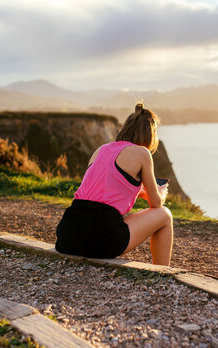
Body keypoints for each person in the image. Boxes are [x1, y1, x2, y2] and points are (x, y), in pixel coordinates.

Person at [55, 103, 173, 266]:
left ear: (125, 129)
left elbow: (99, 191)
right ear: (150, 135)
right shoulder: (142, 153)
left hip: (68, 233)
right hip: (101, 236)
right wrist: (161, 193)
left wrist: (138, 192)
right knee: (164, 214)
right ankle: (162, 272)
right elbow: (156, 203)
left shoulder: (101, 150)